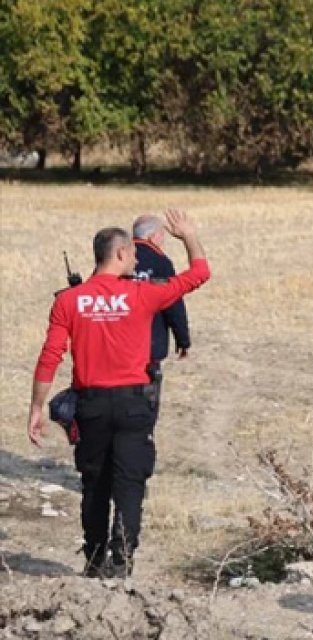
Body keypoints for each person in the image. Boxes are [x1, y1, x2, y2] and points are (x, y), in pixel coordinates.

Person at [28, 210, 211, 578]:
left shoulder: (69, 301)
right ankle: (122, 559)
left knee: (95, 484)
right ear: (121, 253)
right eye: (134, 254)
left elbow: (50, 357)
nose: (137, 261)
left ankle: (95, 560)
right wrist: (189, 236)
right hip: (133, 404)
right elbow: (199, 274)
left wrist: (36, 407)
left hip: (91, 406)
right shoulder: (142, 294)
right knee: (130, 482)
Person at [131, 214, 192, 406]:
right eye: (161, 235)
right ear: (151, 237)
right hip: (150, 345)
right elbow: (173, 303)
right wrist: (183, 339)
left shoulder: (116, 257)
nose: (163, 240)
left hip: (114, 346)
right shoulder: (160, 262)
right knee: (146, 402)